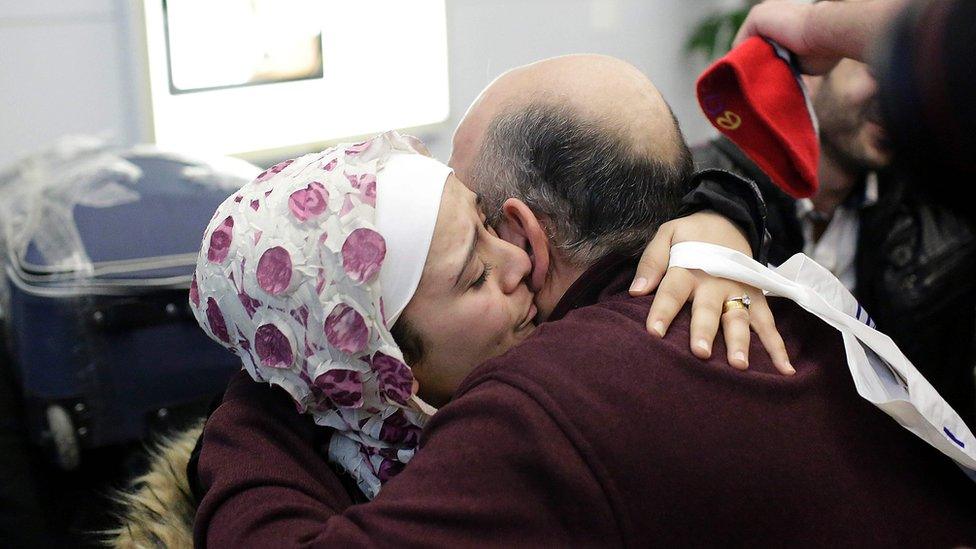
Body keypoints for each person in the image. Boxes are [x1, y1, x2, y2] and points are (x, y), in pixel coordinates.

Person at [192, 55, 976, 547]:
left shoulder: (547, 406)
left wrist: (265, 402)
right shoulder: (743, 288)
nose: (506, 265)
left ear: (530, 236)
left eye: (483, 227)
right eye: (469, 266)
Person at [693, 53, 976, 422]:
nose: (896, 96)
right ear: (808, 72)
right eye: (877, 67)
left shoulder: (940, 220)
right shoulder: (699, 186)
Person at [732, 0, 976, 222]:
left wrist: (810, 25)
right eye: (873, 70)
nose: (891, 94)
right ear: (808, 75)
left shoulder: (930, 207)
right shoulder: (718, 188)